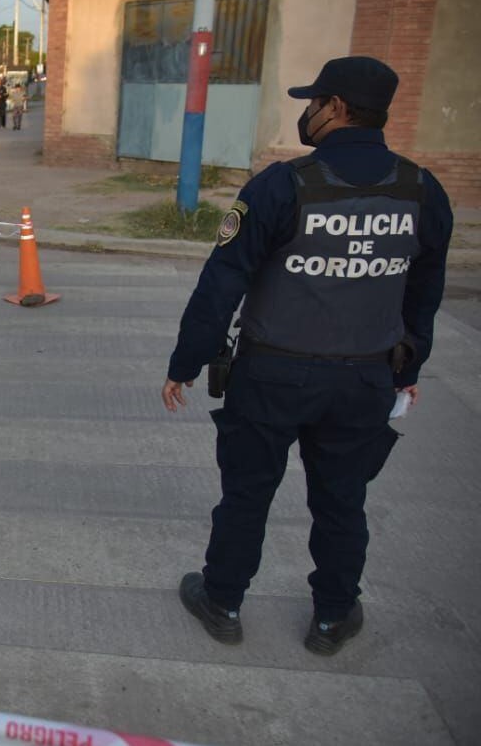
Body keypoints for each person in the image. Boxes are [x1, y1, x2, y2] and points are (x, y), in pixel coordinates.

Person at [162, 56, 453, 655]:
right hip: (366, 379)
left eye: (315, 102)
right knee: (343, 500)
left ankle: (223, 602)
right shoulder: (422, 191)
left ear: (337, 108)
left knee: (248, 493)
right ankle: (332, 618)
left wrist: (185, 364)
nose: (309, 112)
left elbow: (222, 284)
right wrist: (410, 368)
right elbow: (424, 294)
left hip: (272, 375)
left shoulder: (281, 186)